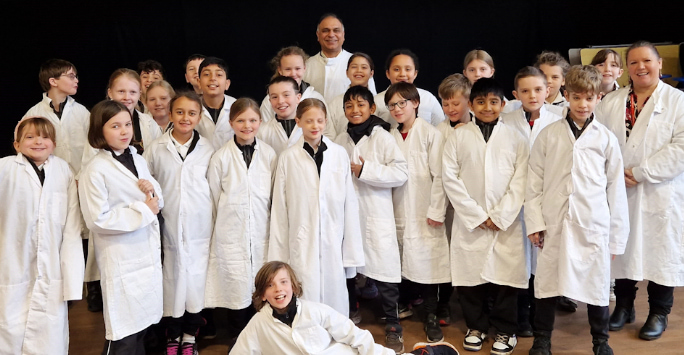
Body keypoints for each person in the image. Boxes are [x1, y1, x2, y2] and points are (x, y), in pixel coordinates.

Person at [526, 65, 629, 355]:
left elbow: (616, 190)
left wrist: (615, 236)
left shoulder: (605, 138)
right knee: (546, 284)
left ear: (599, 98)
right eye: (577, 97)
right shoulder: (548, 135)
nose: (583, 104)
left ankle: (600, 340)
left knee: (596, 285)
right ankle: (542, 339)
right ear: (566, 95)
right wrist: (534, 222)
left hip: (592, 223)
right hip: (553, 223)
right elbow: (533, 183)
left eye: (590, 98)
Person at [595, 40, 684, 341]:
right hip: (618, 187)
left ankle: (659, 312)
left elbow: (681, 148)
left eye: (647, 61)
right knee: (623, 248)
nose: (641, 67)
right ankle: (623, 307)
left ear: (660, 64)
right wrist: (616, 172)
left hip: (661, 190)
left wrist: (641, 172)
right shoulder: (612, 102)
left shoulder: (677, 101)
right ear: (626, 68)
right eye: (633, 62)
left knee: (661, 252)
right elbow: (598, 142)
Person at [442, 78, 528, 355]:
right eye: (480, 101)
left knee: (506, 280)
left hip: (507, 222)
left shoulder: (516, 138)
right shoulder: (458, 136)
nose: (487, 107)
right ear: (471, 104)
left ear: (503, 105)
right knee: (470, 279)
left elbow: (521, 180)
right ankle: (475, 326)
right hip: (472, 222)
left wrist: (501, 216)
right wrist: (477, 215)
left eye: (493, 102)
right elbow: (450, 178)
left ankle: (505, 330)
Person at [78, 100, 164, 354]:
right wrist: (142, 210)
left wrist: (153, 193)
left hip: (144, 254)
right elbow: (97, 219)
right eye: (115, 126)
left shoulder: (136, 158)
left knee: (141, 326)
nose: (125, 131)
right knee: (124, 331)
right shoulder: (95, 170)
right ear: (99, 131)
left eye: (127, 124)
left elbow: (155, 200)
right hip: (121, 256)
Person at [268, 98, 364, 318]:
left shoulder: (338, 154)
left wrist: (350, 247)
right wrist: (279, 255)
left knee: (334, 292)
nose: (315, 126)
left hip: (333, 235)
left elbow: (349, 201)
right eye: (309, 121)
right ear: (298, 121)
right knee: (305, 288)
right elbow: (280, 208)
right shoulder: (289, 157)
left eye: (319, 121)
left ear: (326, 121)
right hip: (302, 237)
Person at [0, 117, 84, 354]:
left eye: (45, 136)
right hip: (11, 265)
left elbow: (71, 226)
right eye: (29, 137)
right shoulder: (5, 168)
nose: (38, 141)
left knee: (50, 336)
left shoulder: (63, 170)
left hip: (51, 269)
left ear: (54, 143)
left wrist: (71, 277)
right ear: (16, 144)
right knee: (8, 330)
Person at [334, 85, 409, 352]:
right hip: (348, 215)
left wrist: (366, 169)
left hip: (376, 213)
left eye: (360, 105)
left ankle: (392, 324)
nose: (355, 110)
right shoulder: (340, 140)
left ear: (372, 108)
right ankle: (351, 313)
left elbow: (400, 172)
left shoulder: (382, 137)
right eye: (349, 106)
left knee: (385, 270)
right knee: (349, 269)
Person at [143, 91, 214, 355]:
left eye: (192, 113)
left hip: (200, 229)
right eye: (180, 112)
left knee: (196, 284)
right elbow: (147, 186)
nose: (185, 117)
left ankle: (190, 337)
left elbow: (215, 189)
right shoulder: (155, 149)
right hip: (168, 229)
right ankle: (172, 338)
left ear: (199, 116)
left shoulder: (208, 149)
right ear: (171, 115)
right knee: (171, 282)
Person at [205, 98, 277, 343]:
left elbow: (274, 194)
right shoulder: (221, 157)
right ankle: (240, 340)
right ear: (231, 122)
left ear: (260, 121)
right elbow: (214, 198)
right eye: (241, 120)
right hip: (231, 232)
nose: (247, 125)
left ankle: (263, 337)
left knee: (262, 284)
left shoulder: (268, 154)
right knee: (237, 286)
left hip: (261, 230)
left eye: (253, 120)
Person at [386, 82, 449, 345]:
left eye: (403, 103)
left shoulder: (430, 133)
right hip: (396, 208)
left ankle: (431, 316)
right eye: (392, 105)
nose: (398, 109)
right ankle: (401, 308)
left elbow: (440, 176)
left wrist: (436, 209)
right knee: (399, 262)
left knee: (429, 264)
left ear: (415, 103)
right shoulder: (388, 135)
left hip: (425, 210)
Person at [501, 66, 562, 337]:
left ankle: (541, 320)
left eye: (538, 89)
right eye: (525, 91)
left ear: (548, 90)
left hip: (546, 200)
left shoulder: (559, 119)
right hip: (514, 201)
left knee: (542, 263)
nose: (532, 95)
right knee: (518, 264)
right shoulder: (506, 120)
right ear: (516, 94)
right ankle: (521, 317)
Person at [230, 261, 395, 354]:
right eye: (270, 285)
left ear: (294, 287)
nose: (278, 289)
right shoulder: (259, 323)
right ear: (263, 295)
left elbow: (355, 336)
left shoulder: (316, 311)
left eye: (283, 282)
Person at [434, 73, 471, 327]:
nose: (450, 109)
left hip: (474, 203)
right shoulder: (439, 130)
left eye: (455, 103)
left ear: (469, 100)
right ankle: (443, 303)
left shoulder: (479, 127)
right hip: (448, 204)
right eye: (445, 104)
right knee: (448, 255)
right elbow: (438, 172)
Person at [22, 59, 90, 176]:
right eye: (71, 76)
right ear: (53, 81)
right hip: (50, 176)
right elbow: (25, 147)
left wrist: (84, 173)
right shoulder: (34, 114)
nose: (76, 80)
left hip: (83, 175)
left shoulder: (82, 111)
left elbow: (93, 144)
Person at [303, 13, 377, 103]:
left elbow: (372, 100)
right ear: (318, 35)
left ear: (343, 35)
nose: (331, 35)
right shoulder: (306, 66)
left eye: (336, 30)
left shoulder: (358, 64)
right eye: (325, 30)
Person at [259, 46, 330, 129]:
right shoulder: (270, 101)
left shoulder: (315, 98)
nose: (293, 73)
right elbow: (262, 131)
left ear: (304, 68)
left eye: (297, 68)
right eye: (288, 69)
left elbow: (328, 131)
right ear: (280, 70)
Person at [375, 49, 445, 127]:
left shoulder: (428, 98)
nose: (402, 74)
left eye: (408, 69)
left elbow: (441, 126)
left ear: (415, 73)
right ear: (388, 73)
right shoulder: (377, 101)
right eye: (397, 69)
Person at [105, 68, 162, 155]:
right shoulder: (100, 121)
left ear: (139, 93)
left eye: (132, 92)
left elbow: (158, 157)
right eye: (121, 91)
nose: (127, 97)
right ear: (110, 93)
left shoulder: (149, 123)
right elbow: (89, 160)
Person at [328, 52, 376, 138]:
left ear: (371, 73)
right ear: (347, 72)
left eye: (364, 67)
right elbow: (329, 134)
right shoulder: (336, 102)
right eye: (354, 67)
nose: (359, 71)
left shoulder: (378, 101)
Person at [195, 56, 237, 150]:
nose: (212, 78)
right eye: (206, 74)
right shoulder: (191, 107)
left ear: (227, 84)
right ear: (199, 82)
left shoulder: (237, 107)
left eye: (219, 75)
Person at [257, 76, 303, 155]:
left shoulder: (308, 127)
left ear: (298, 98)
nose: (280, 101)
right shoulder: (262, 131)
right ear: (270, 101)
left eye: (286, 95)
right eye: (274, 97)